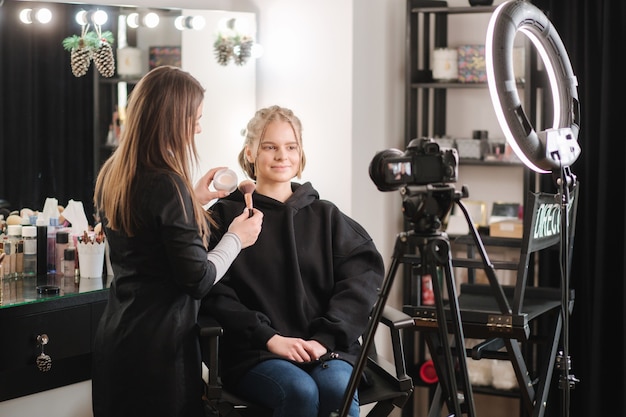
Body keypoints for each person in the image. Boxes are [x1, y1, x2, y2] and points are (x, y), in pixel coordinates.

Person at [91, 65, 263, 417]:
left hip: (117, 338)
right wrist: (235, 238)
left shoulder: (115, 172)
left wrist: (193, 197)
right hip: (158, 350)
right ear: (172, 118)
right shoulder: (167, 184)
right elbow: (197, 280)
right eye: (195, 118)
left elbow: (147, 234)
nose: (199, 127)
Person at [201, 105, 384, 417]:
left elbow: (362, 280)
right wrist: (269, 339)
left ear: (301, 154)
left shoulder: (327, 216)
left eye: (291, 147)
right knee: (300, 391)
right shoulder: (225, 218)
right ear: (250, 153)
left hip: (330, 350)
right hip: (255, 352)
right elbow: (215, 294)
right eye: (270, 147)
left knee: (336, 389)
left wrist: (324, 339)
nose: (281, 156)